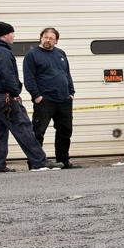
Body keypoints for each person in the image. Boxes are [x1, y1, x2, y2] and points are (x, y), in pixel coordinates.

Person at [0, 22, 54, 172]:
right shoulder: (3, 52)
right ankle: (40, 162)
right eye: (12, 33)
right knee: (24, 128)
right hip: (5, 98)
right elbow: (8, 76)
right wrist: (15, 93)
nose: (14, 36)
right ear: (6, 35)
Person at [23, 26, 78, 169]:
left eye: (51, 38)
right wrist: (36, 96)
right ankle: (35, 162)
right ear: (41, 38)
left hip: (64, 100)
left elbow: (67, 74)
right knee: (38, 132)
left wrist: (71, 92)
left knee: (65, 131)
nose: (47, 40)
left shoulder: (61, 54)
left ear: (56, 41)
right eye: (45, 37)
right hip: (45, 101)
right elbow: (29, 78)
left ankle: (63, 160)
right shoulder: (32, 55)